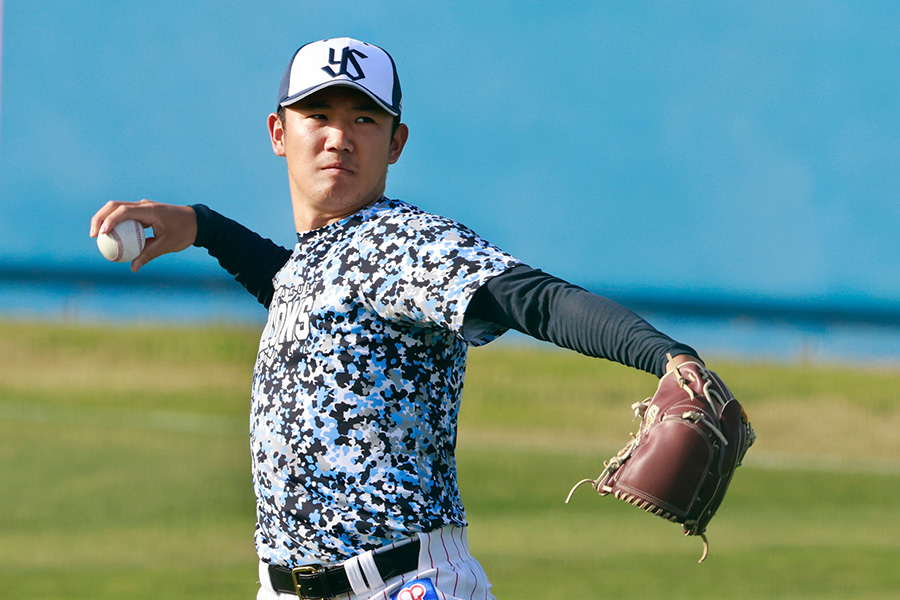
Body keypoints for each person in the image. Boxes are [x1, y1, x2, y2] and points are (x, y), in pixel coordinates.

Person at [90, 37, 703, 600]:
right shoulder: (324, 258)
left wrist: (665, 355)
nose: (339, 136)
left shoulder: (406, 245)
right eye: (318, 116)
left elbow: (531, 299)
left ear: (396, 142)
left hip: (404, 583)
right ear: (279, 132)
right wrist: (202, 226)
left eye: (363, 118)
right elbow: (294, 289)